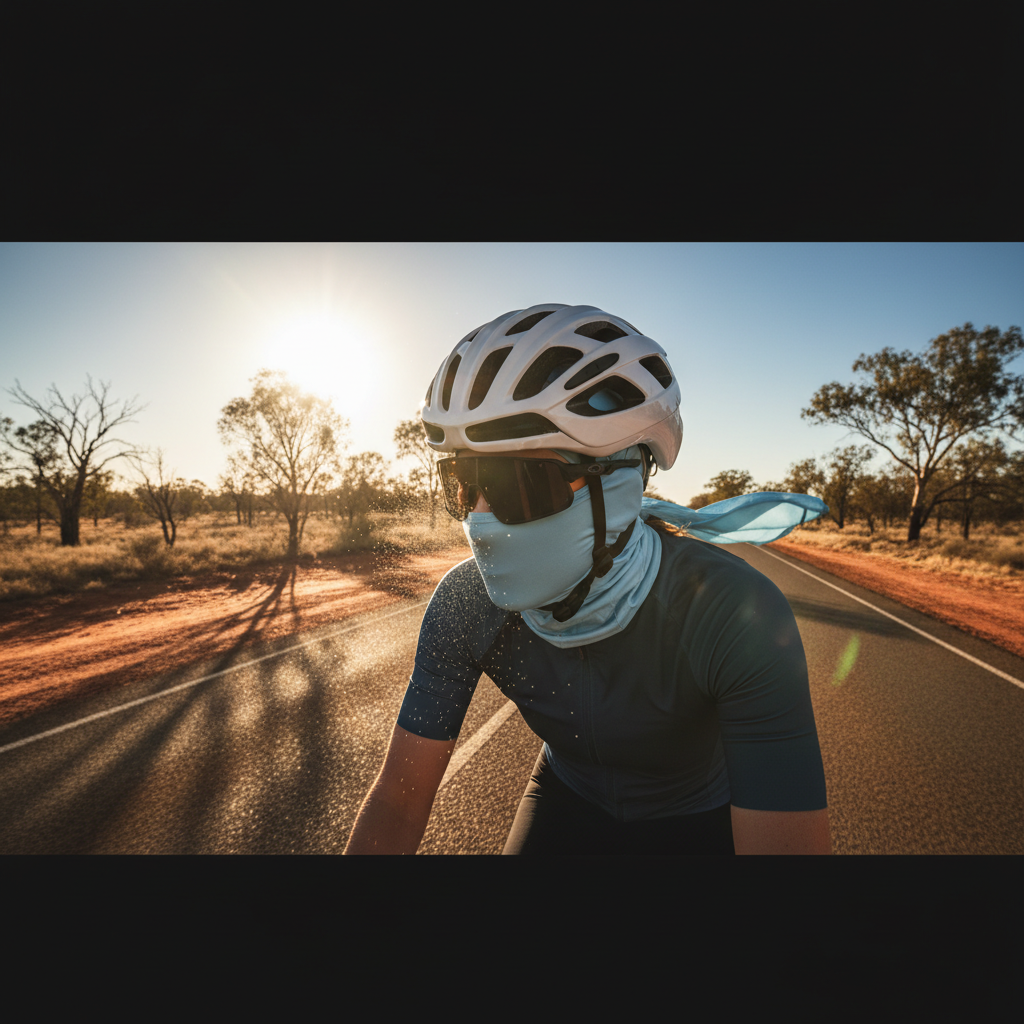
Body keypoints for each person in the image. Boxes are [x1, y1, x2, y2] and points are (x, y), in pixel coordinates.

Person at [344, 303, 832, 855]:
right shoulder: (465, 603)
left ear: (622, 483)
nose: (479, 518)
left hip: (701, 815)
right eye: (463, 480)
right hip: (567, 797)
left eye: (521, 483)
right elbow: (398, 802)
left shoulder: (734, 613)